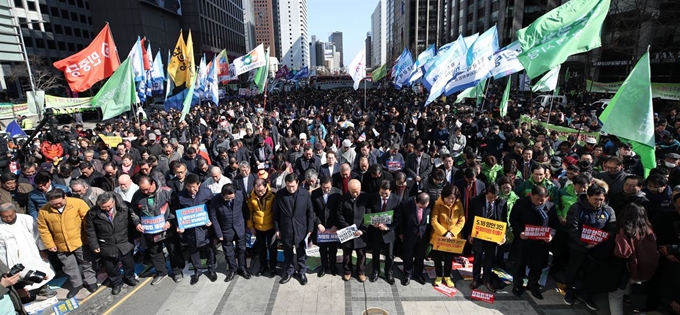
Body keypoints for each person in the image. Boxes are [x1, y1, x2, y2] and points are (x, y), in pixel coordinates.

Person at [563, 185, 617, 311]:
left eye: (601, 199)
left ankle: (586, 294)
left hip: (597, 248)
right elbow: (573, 228)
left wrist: (601, 242)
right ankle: (569, 291)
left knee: (591, 273)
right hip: (578, 247)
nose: (598, 202)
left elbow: (612, 229)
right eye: (595, 199)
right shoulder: (576, 208)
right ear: (588, 197)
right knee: (573, 269)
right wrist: (583, 243)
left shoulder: (608, 210)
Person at [36, 189, 97, 298]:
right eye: (54, 204)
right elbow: (43, 229)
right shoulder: (43, 211)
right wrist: (49, 244)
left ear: (65, 197)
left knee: (87, 262)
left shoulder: (77, 203)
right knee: (69, 266)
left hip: (80, 240)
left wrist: (90, 239)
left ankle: (91, 281)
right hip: (60, 244)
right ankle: (76, 284)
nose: (57, 205)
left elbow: (87, 221)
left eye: (60, 202)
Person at [131, 176, 185, 285]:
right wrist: (137, 223)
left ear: (153, 184)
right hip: (150, 231)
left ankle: (177, 271)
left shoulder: (167, 192)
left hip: (167, 228)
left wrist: (170, 221)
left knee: (174, 250)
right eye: (142, 189)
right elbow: (133, 211)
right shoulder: (137, 195)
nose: (145, 192)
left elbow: (176, 208)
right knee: (155, 252)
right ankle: (161, 272)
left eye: (147, 189)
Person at [609, 203, 660, 315]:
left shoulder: (626, 230)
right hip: (646, 270)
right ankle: (627, 298)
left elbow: (622, 253)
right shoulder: (649, 229)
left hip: (630, 269)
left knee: (615, 295)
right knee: (628, 285)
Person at [85, 193, 139, 295]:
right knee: (111, 266)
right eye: (103, 207)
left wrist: (137, 235)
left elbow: (133, 221)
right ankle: (116, 283)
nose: (107, 209)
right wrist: (94, 245)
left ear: (113, 202)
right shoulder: (93, 213)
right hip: (106, 244)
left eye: (109, 206)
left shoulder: (124, 207)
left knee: (128, 262)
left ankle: (129, 277)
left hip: (124, 241)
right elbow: (90, 230)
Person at [509, 185, 558, 300]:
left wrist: (551, 235)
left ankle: (533, 285)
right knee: (519, 265)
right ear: (531, 195)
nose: (540, 202)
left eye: (543, 199)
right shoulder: (521, 204)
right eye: (537, 199)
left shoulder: (550, 207)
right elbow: (513, 219)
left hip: (540, 244)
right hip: (523, 241)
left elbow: (554, 225)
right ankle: (517, 285)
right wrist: (519, 232)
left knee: (537, 266)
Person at [0, 203, 56, 300]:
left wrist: (42, 248)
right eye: (5, 217)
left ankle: (42, 288)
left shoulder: (26, 219)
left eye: (10, 216)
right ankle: (25, 294)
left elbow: (37, 235)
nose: (8, 219)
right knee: (17, 276)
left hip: (29, 251)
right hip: (9, 256)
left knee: (37, 271)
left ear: (14, 212)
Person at [273, 173, 315, 285]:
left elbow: (310, 212)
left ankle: (302, 271)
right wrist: (277, 229)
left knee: (301, 252)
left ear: (297, 183)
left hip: (300, 228)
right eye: (288, 186)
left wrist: (310, 228)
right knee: (287, 251)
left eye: (293, 186)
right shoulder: (280, 194)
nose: (290, 188)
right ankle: (289, 271)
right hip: (286, 228)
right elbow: (276, 213)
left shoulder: (305, 194)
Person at [177, 174, 217, 285]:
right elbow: (177, 213)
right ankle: (197, 270)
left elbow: (213, 208)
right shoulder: (181, 196)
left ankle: (211, 269)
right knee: (193, 250)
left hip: (205, 228)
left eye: (194, 187)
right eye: (189, 187)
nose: (192, 189)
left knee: (209, 249)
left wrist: (211, 221)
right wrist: (179, 225)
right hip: (190, 230)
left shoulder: (206, 193)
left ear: (199, 184)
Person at [468, 183, 507, 292]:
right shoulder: (476, 201)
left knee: (489, 259)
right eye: (490, 197)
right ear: (486, 193)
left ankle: (486, 279)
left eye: (495, 197)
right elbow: (470, 218)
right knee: (477, 258)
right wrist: (470, 233)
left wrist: (503, 234)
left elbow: (504, 221)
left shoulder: (502, 203)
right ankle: (476, 279)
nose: (492, 200)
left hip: (493, 236)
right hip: (479, 234)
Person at [208, 184, 250, 282]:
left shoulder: (240, 195)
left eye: (232, 198)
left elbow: (245, 210)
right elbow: (214, 218)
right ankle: (233, 269)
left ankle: (242, 268)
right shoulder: (215, 200)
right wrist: (219, 234)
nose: (230, 200)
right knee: (228, 252)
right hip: (225, 230)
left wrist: (247, 224)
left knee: (242, 249)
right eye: (227, 199)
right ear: (223, 195)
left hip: (239, 227)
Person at [429, 184, 464, 288]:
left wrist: (452, 232)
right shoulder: (437, 204)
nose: (451, 201)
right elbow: (434, 221)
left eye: (453, 198)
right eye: (448, 198)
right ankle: (439, 275)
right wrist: (444, 233)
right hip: (440, 236)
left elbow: (462, 220)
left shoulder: (459, 205)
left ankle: (447, 276)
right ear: (443, 196)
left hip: (452, 237)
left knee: (449, 258)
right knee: (438, 257)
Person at [367, 180, 402, 285]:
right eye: (381, 193)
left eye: (386, 193)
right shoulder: (373, 197)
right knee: (375, 253)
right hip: (375, 231)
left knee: (390, 255)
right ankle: (375, 271)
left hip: (388, 233)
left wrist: (388, 227)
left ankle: (389, 273)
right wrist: (372, 222)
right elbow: (368, 211)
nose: (383, 195)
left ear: (390, 191)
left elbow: (398, 218)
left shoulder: (397, 200)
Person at [336, 179, 370, 282]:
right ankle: (347, 271)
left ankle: (361, 272)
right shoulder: (343, 198)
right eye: (352, 191)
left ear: (360, 189)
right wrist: (348, 228)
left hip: (360, 232)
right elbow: (339, 215)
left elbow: (368, 214)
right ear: (348, 189)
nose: (355, 194)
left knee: (361, 254)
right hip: (347, 231)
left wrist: (362, 229)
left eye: (356, 191)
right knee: (347, 254)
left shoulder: (365, 197)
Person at [311, 176, 341, 277]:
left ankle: (333, 266)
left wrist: (336, 225)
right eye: (324, 187)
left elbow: (340, 211)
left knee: (333, 248)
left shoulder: (337, 193)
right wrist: (318, 223)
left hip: (333, 227)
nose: (326, 190)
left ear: (331, 185)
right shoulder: (315, 194)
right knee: (322, 249)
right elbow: (312, 211)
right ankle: (324, 266)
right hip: (321, 227)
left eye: (328, 187)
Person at [247, 178, 277, 277]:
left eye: (262, 190)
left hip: (271, 226)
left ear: (266, 186)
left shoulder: (273, 194)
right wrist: (250, 226)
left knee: (272, 248)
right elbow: (250, 212)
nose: (260, 193)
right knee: (261, 248)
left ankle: (273, 267)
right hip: (258, 227)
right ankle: (263, 266)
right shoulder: (251, 196)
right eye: (257, 191)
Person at [400, 192, 431, 286]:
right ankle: (408, 274)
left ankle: (418, 274)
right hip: (409, 233)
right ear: (416, 202)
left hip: (423, 234)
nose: (423, 208)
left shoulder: (431, 204)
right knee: (408, 255)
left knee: (420, 255)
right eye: (421, 206)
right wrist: (400, 233)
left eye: (425, 206)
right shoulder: (407, 204)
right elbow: (401, 219)